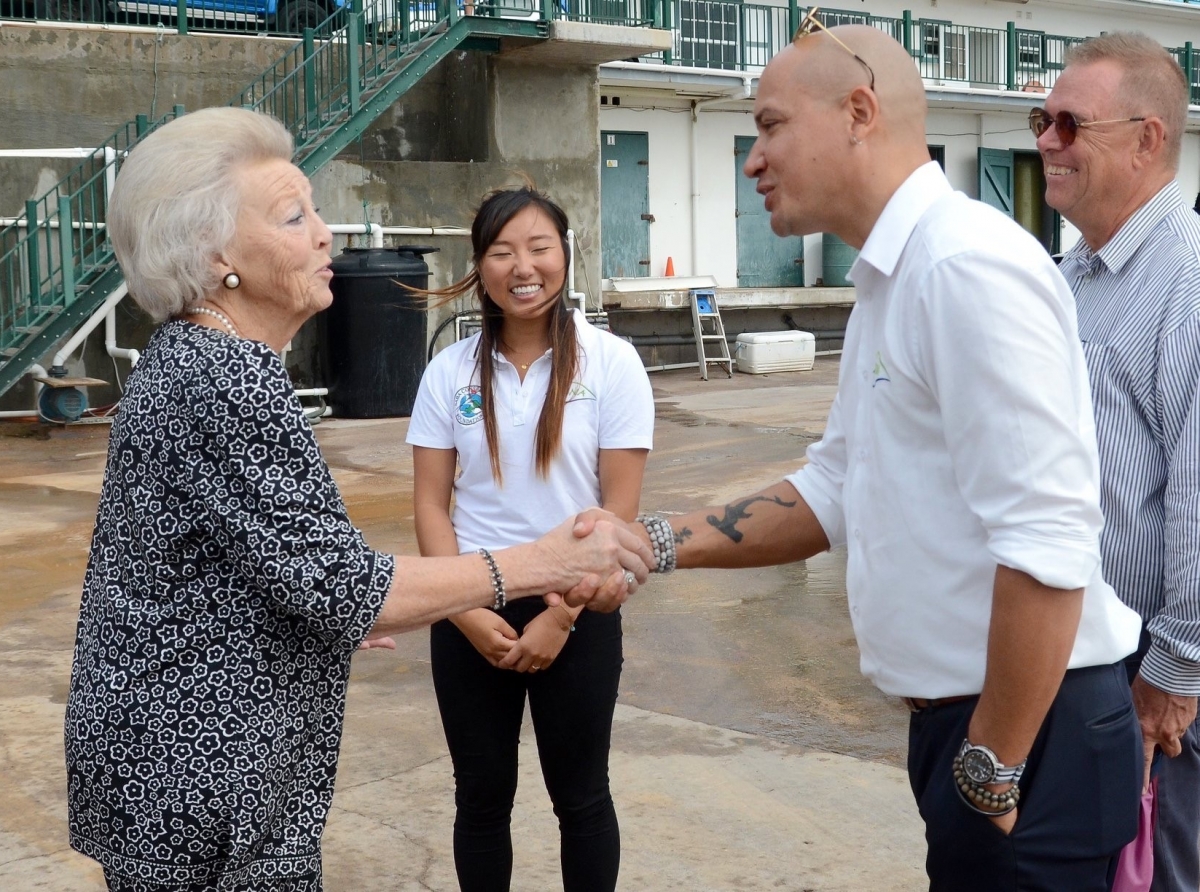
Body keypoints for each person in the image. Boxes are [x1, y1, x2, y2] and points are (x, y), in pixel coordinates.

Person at [575, 19, 1145, 890]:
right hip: (983, 728)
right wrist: (649, 540)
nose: (753, 159)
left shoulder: (963, 267)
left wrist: (990, 766)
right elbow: (836, 484)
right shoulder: (894, 275)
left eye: (770, 127)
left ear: (859, 111)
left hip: (1032, 737)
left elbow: (1048, 542)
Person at [64, 107, 651, 892]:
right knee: (484, 797)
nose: (325, 233)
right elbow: (351, 588)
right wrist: (542, 561)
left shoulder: (193, 361)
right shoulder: (230, 381)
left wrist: (307, 623)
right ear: (216, 254)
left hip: (167, 767)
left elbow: (244, 565)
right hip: (206, 785)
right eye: (293, 215)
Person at [405, 186, 654, 891]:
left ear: (564, 256)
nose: (524, 267)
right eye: (502, 251)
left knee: (581, 798)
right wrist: (462, 610)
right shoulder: (449, 372)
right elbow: (430, 504)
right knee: (481, 800)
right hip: (469, 607)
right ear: (480, 265)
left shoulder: (611, 364)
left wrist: (563, 615)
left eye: (540, 248)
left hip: (576, 608)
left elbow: (619, 513)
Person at [1035, 33, 1200, 891]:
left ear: (1148, 139)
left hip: (1160, 684)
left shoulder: (1188, 281)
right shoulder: (1072, 279)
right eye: (1043, 120)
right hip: (1087, 668)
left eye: (1072, 124)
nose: (1048, 141)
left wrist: (1174, 675)